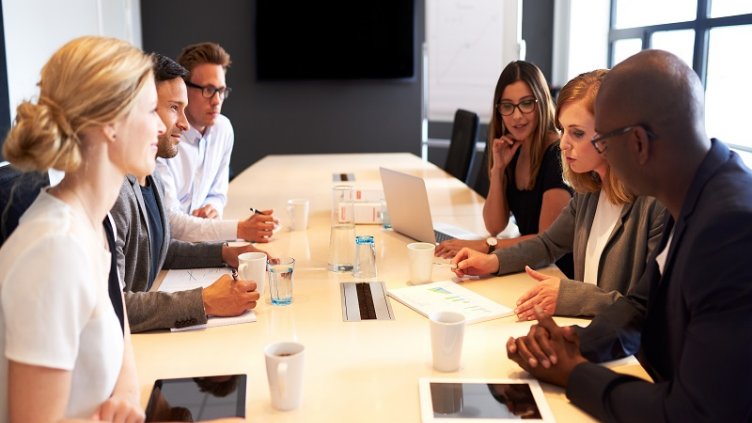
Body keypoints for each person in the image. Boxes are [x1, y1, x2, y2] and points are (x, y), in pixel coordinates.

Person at [506, 50, 752, 421]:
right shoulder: (694, 190)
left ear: (638, 143)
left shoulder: (730, 228)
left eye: (602, 140)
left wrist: (575, 375)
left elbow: (693, 413)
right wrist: (568, 344)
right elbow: (639, 307)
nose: (600, 153)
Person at [0, 36, 161, 422]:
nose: (162, 126)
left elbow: (119, 334)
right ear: (111, 124)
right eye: (152, 110)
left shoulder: (96, 221)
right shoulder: (55, 252)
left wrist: (125, 396)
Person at [450, 70, 666, 320]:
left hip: (624, 353)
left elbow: (648, 310)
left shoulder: (655, 205)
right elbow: (548, 243)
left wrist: (569, 296)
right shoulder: (590, 191)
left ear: (612, 134)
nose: (563, 144)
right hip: (588, 332)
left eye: (577, 133)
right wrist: (494, 262)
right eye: (562, 130)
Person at [111, 54, 265, 333]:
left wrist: (224, 253)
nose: (183, 123)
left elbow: (161, 250)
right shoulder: (114, 194)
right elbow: (114, 306)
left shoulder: (150, 176)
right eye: (173, 108)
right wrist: (204, 301)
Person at [436, 61, 574, 277]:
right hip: (525, 264)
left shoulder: (557, 154)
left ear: (542, 103)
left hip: (554, 272)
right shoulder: (514, 148)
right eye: (508, 106)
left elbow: (546, 240)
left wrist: (486, 246)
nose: (517, 116)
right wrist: (498, 169)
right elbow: (494, 225)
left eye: (526, 103)